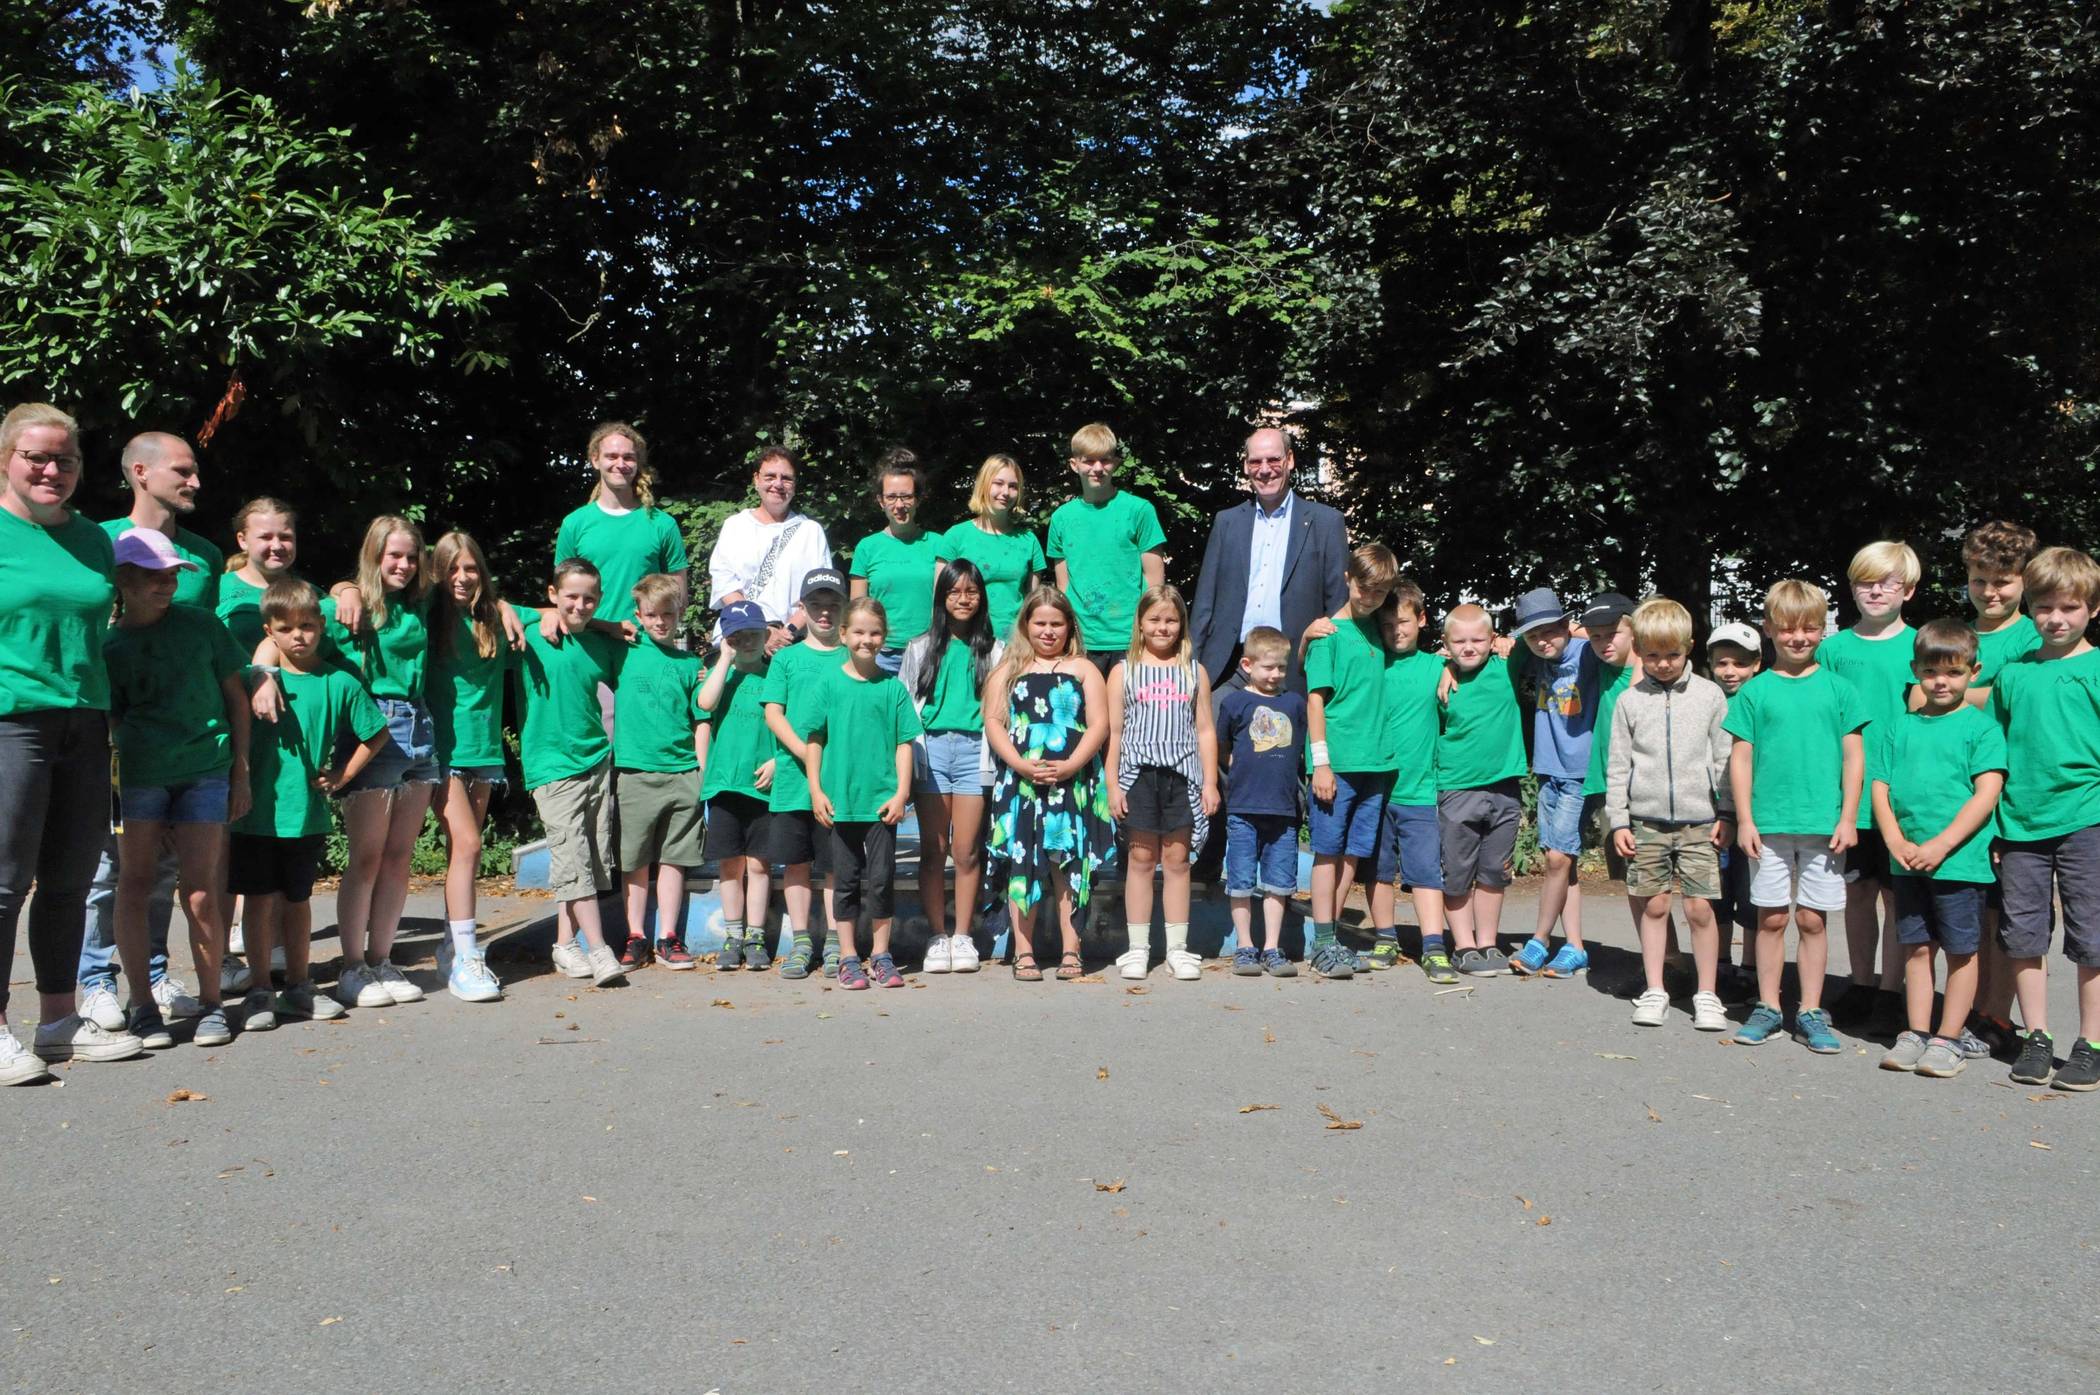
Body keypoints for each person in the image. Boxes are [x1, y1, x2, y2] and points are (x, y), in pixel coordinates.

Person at [0, 404, 147, 1079]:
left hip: (85, 720)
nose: (51, 469)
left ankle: (59, 1021)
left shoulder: (94, 539)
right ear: (7, 459)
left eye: (65, 459)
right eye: (36, 456)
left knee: (68, 879)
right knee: (5, 882)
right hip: (12, 720)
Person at [78, 432, 227, 1034]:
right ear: (141, 472)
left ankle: (155, 977)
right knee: (108, 873)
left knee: (168, 876)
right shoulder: (95, 539)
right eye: (183, 471)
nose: (195, 482)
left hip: (191, 753)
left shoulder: (205, 555)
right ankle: (96, 981)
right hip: (122, 745)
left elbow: (218, 635)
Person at [103, 529, 250, 1050]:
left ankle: (212, 1004)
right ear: (123, 581)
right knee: (136, 883)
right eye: (153, 576)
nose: (166, 584)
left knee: (202, 890)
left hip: (206, 771)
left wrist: (241, 772)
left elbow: (237, 698)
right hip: (139, 777)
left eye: (171, 575)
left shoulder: (203, 625)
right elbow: (111, 721)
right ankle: (142, 1005)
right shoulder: (110, 645)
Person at [228, 580, 388, 1027]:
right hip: (254, 814)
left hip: (306, 815)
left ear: (321, 626)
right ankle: (260, 990)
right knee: (257, 902)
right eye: (286, 628)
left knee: (298, 902)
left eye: (307, 626)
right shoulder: (251, 680)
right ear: (269, 631)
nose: (298, 635)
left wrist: (342, 775)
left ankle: (299, 986)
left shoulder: (340, 682)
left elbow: (376, 733)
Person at [1725, 580, 1867, 1054]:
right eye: (1787, 628)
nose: (1799, 637)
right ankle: (1768, 1007)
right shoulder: (1754, 692)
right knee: (1769, 919)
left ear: (1824, 629)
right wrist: (1745, 820)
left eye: (1809, 627)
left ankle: (1810, 1010)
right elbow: (1741, 759)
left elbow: (1854, 758)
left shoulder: (1840, 690)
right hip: (1768, 824)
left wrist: (1848, 817)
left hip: (1824, 825)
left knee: (1811, 920)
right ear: (1769, 629)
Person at [1870, 619, 2005, 1079]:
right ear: (1915, 671)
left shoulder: (1982, 730)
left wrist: (1942, 844)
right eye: (1930, 672)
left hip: (1958, 864)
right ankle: (1916, 1032)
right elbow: (1880, 787)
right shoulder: (1898, 728)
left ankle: (1948, 1038)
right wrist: (1895, 840)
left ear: (1973, 672)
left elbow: (1986, 794)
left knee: (1961, 951)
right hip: (1908, 862)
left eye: (1953, 672)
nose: (1940, 681)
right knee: (1916, 948)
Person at [1990, 546, 2100, 1091]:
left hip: (2087, 819)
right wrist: (1993, 826)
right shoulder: (2013, 675)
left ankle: (2091, 1043)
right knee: (2023, 934)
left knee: (2092, 936)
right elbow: (1994, 753)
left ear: (2092, 609)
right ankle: (2037, 1036)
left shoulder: (2096, 668)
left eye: (2070, 608)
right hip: (2019, 825)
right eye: (2045, 607)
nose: (2056, 619)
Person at [1605, 598, 1733, 1031]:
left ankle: (1707, 994)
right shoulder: (1629, 701)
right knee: (1655, 906)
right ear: (1639, 651)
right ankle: (1656, 988)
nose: (1663, 664)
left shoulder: (1710, 695)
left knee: (1700, 909)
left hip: (1701, 822)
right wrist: (1619, 820)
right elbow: (1618, 765)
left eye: (1672, 655)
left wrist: (1728, 813)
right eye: (1653, 655)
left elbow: (1724, 758)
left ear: (1689, 648)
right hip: (1646, 822)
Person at [985, 587, 1115, 981]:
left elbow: (1100, 724)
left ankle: (1071, 950)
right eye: (1040, 622)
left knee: (1068, 865)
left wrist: (1072, 764)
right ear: (1026, 625)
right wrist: (1019, 764)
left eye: (1056, 623)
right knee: (1021, 863)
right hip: (1021, 783)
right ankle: (1023, 951)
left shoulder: (1084, 669)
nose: (1048, 631)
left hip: (1072, 782)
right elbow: (994, 723)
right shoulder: (1008, 669)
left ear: (1069, 626)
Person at [1817, 541, 1920, 1038]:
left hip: (1902, 799)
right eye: (1865, 582)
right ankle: (1861, 983)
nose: (1876, 591)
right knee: (1857, 894)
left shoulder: (1922, 647)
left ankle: (1891, 992)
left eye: (1887, 583)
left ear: (1908, 590)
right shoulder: (1832, 650)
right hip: (1850, 799)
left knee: (1898, 899)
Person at [511, 560, 629, 988]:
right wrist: (542, 614)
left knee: (589, 859)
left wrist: (607, 625)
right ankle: (598, 949)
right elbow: (491, 606)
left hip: (596, 760)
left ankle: (564, 943)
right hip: (551, 766)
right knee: (572, 859)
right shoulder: (529, 633)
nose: (579, 605)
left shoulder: (601, 644)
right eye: (571, 597)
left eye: (589, 599)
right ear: (552, 594)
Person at [1105, 585, 1220, 982]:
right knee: (1140, 860)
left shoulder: (1194, 671)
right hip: (1138, 776)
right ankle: (1137, 948)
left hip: (1182, 777)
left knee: (1177, 861)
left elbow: (1205, 730)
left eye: (1171, 620)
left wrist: (1209, 782)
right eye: (1154, 619)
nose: (1162, 627)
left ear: (1181, 624)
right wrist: (1112, 785)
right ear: (1140, 623)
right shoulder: (1123, 672)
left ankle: (1177, 949)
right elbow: (1114, 733)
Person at [805, 597, 922, 990]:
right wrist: (816, 790)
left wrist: (901, 792)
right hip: (840, 804)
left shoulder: (893, 689)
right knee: (845, 881)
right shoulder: (828, 685)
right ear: (843, 634)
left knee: (883, 878)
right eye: (858, 631)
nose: (866, 640)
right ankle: (848, 957)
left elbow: (904, 743)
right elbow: (814, 740)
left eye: (874, 633)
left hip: (881, 804)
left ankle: (882, 955)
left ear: (884, 637)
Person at [1956, 520, 2040, 1057]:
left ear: (2025, 580)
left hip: (2012, 791)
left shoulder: (2033, 636)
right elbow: (1916, 699)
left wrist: (1955, 693)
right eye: (1980, 580)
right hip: (1958, 789)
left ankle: (1997, 1015)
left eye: (2003, 581)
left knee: (2006, 912)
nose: (1991, 592)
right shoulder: (1959, 634)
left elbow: (2022, 700)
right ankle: (1975, 1008)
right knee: (1974, 909)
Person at [213, 496, 300, 996]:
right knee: (223, 851)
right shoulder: (218, 589)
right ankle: (222, 958)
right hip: (226, 734)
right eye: (265, 536)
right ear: (242, 540)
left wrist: (348, 587)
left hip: (284, 740)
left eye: (285, 535)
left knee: (279, 838)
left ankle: (277, 947)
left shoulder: (303, 593)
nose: (276, 545)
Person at [1189, 427, 1350, 694]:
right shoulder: (1227, 522)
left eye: (1273, 459)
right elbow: (1205, 602)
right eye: (1256, 461)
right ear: (1246, 466)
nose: (1265, 470)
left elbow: (1338, 605)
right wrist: (1192, 666)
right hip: (1229, 666)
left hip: (1293, 667)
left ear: (1290, 460)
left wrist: (1332, 671)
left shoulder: (1326, 523)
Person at [1302, 544, 1400, 980]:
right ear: (1348, 579)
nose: (1370, 598)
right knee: (1327, 853)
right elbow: (1315, 701)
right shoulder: (1328, 634)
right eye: (1364, 588)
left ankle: (1332, 938)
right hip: (1336, 764)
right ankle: (1321, 943)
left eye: (1380, 592)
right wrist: (1321, 763)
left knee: (1352, 856)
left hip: (1375, 764)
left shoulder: (1377, 628)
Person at [425, 531, 513, 1002]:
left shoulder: (493, 617)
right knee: (469, 844)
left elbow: (560, 613)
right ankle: (465, 957)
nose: (462, 577)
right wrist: (346, 589)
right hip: (442, 751)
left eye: (470, 568)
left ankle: (449, 944)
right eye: (452, 569)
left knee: (463, 854)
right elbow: (360, 598)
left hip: (484, 752)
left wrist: (609, 624)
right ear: (436, 573)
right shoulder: (425, 614)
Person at [899, 559, 998, 974]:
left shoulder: (996, 650)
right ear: (941, 598)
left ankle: (963, 935)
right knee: (934, 849)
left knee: (967, 850)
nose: (963, 599)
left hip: (975, 752)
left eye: (971, 591)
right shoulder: (920, 647)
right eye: (954, 591)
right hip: (933, 752)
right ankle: (937, 936)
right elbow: (904, 707)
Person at [1504, 587, 1602, 980]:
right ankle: (1575, 946)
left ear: (1566, 624)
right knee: (1565, 862)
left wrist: (1577, 630)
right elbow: (1508, 648)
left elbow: (1615, 639)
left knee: (1557, 859)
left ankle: (1540, 939)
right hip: (1548, 770)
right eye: (1533, 635)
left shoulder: (1586, 653)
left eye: (1550, 631)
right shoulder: (1539, 657)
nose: (1543, 640)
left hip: (1579, 773)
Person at [613, 573, 706, 972]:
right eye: (652, 614)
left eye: (668, 614)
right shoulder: (623, 653)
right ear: (639, 615)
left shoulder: (691, 664)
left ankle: (668, 936)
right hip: (635, 772)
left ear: (679, 614)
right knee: (634, 859)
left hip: (683, 772)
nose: (660, 622)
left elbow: (701, 720)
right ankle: (635, 935)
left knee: (674, 858)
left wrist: (701, 772)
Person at [763, 569, 848, 979]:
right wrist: (803, 753)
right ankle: (800, 941)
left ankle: (835, 940)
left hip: (839, 782)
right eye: (816, 605)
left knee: (835, 865)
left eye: (833, 604)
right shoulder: (786, 658)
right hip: (794, 781)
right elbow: (773, 712)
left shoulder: (853, 656)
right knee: (795, 863)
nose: (825, 612)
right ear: (802, 608)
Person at [1436, 603, 1528, 977]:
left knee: (1494, 872)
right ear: (1446, 644)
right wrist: (1444, 667)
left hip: (1504, 787)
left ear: (1491, 639)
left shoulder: (1506, 665)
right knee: (1457, 872)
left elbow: (1553, 635)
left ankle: (1488, 943)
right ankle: (1464, 946)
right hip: (1457, 788)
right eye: (1459, 641)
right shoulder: (1439, 676)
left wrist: (1511, 641)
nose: (1469, 647)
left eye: (1478, 639)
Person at [1369, 583, 1451, 979]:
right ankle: (1385, 938)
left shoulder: (1437, 667)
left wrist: (1501, 645)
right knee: (1379, 871)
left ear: (1421, 619)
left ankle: (1434, 946)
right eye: (1386, 625)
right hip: (1375, 791)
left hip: (1419, 791)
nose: (1395, 631)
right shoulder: (1372, 665)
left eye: (1402, 622)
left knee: (1426, 872)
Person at [1215, 627, 1306, 977]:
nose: (1275, 674)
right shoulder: (1235, 703)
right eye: (1268, 667)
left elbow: (1300, 749)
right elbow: (1222, 747)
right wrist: (1237, 767)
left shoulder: (1294, 703)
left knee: (1278, 883)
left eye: (1281, 667)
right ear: (1247, 665)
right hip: (1243, 807)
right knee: (1240, 881)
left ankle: (1271, 947)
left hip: (1283, 809)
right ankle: (1244, 946)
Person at [1045, 423, 1166, 672]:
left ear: (1116, 463)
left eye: (1105, 460)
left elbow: (1155, 583)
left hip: (1130, 639)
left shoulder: (1139, 511)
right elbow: (1063, 587)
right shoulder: (1061, 518)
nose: (1098, 468)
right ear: (1074, 465)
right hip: (1082, 641)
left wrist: (1148, 631)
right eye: (1089, 461)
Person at [699, 601, 780, 967]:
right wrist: (723, 658)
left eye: (754, 634)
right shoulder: (721, 675)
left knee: (759, 865)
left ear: (766, 635)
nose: (746, 642)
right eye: (737, 636)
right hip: (725, 786)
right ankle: (733, 934)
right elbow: (705, 703)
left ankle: (755, 935)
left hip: (762, 787)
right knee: (730, 865)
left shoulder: (776, 675)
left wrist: (778, 762)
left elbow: (791, 724)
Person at [550, 422, 690, 629]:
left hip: (643, 640)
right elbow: (563, 597)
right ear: (595, 460)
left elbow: (678, 600)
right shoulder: (574, 524)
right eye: (612, 456)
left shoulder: (662, 524)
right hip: (590, 638)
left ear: (638, 463)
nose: (620, 463)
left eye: (628, 457)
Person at [708, 446, 833, 653]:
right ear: (756, 479)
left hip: (794, 642)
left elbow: (819, 591)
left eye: (786, 478)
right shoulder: (735, 526)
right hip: (740, 638)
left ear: (795, 484)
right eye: (770, 476)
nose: (778, 484)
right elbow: (725, 584)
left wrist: (787, 632)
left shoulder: (811, 531)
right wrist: (760, 631)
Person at [1703, 620, 1764, 999]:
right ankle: (1721, 963)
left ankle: (1751, 968)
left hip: (1755, 815)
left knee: (1753, 893)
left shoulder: (1762, 698)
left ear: (1756, 663)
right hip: (1712, 815)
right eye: (1722, 662)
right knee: (1719, 892)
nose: (1730, 671)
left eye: (1740, 663)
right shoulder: (1706, 700)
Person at [848, 448, 941, 676]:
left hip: (928, 652)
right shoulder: (867, 548)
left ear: (918, 499)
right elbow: (857, 610)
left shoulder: (939, 545)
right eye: (891, 497)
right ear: (880, 501)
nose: (899, 505)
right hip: (880, 654)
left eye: (906, 496)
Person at [936, 454, 1046, 641]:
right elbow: (939, 600)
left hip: (1015, 643)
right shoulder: (956, 537)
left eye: (1013, 486)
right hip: (966, 641)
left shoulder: (1028, 540)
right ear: (984, 485)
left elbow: (1033, 605)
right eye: (998, 483)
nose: (1005, 492)